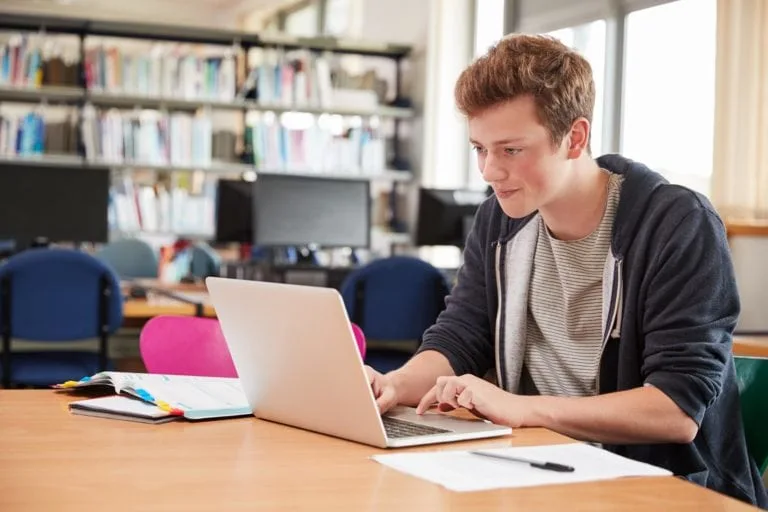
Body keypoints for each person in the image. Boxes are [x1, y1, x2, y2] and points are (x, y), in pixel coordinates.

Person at [365, 34, 768, 507]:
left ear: (574, 138)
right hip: (536, 469)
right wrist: (393, 386)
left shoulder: (675, 225)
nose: (490, 171)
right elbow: (461, 335)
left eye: (511, 150)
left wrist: (521, 410)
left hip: (660, 488)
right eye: (480, 148)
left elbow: (677, 409)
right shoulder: (500, 217)